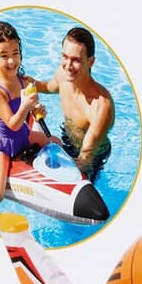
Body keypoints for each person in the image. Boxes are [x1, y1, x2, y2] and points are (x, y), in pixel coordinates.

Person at [0, 21, 55, 203]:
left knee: (57, 143)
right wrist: (26, 106)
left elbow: (32, 108)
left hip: (22, 135)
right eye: (4, 55)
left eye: (15, 53)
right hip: (2, 143)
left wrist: (37, 111)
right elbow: (12, 124)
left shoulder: (23, 80)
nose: (12, 61)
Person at [37, 27, 115, 180]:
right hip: (68, 136)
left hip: (92, 154)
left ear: (90, 61)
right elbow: (47, 87)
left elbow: (85, 159)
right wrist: (27, 83)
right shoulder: (63, 75)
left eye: (76, 60)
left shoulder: (100, 107)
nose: (68, 66)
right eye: (65, 57)